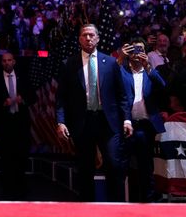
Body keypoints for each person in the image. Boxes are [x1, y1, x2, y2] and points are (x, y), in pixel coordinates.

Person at [56, 23, 132, 202]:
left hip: (109, 123)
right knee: (85, 168)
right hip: (83, 123)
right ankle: (87, 208)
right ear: (79, 39)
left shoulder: (111, 62)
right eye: (84, 35)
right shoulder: (69, 64)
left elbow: (122, 95)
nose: (88, 38)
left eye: (91, 35)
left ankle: (117, 208)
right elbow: (61, 98)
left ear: (97, 38)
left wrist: (127, 120)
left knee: (114, 165)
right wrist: (60, 122)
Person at [120, 39, 166, 202]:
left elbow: (162, 86)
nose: (136, 53)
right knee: (121, 165)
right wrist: (120, 59)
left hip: (146, 126)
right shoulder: (122, 70)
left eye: (140, 49)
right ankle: (120, 201)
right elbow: (110, 82)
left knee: (146, 166)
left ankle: (148, 202)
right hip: (125, 125)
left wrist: (148, 67)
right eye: (133, 49)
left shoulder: (150, 72)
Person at [0, 52, 31, 200]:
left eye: (9, 60)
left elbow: (34, 97)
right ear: (1, 63)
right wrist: (2, 104)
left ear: (14, 61)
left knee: (21, 155)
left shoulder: (23, 78)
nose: (7, 63)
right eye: (4, 61)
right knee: (6, 156)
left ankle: (22, 187)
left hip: (21, 123)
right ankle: (6, 189)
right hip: (4, 124)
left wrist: (23, 99)